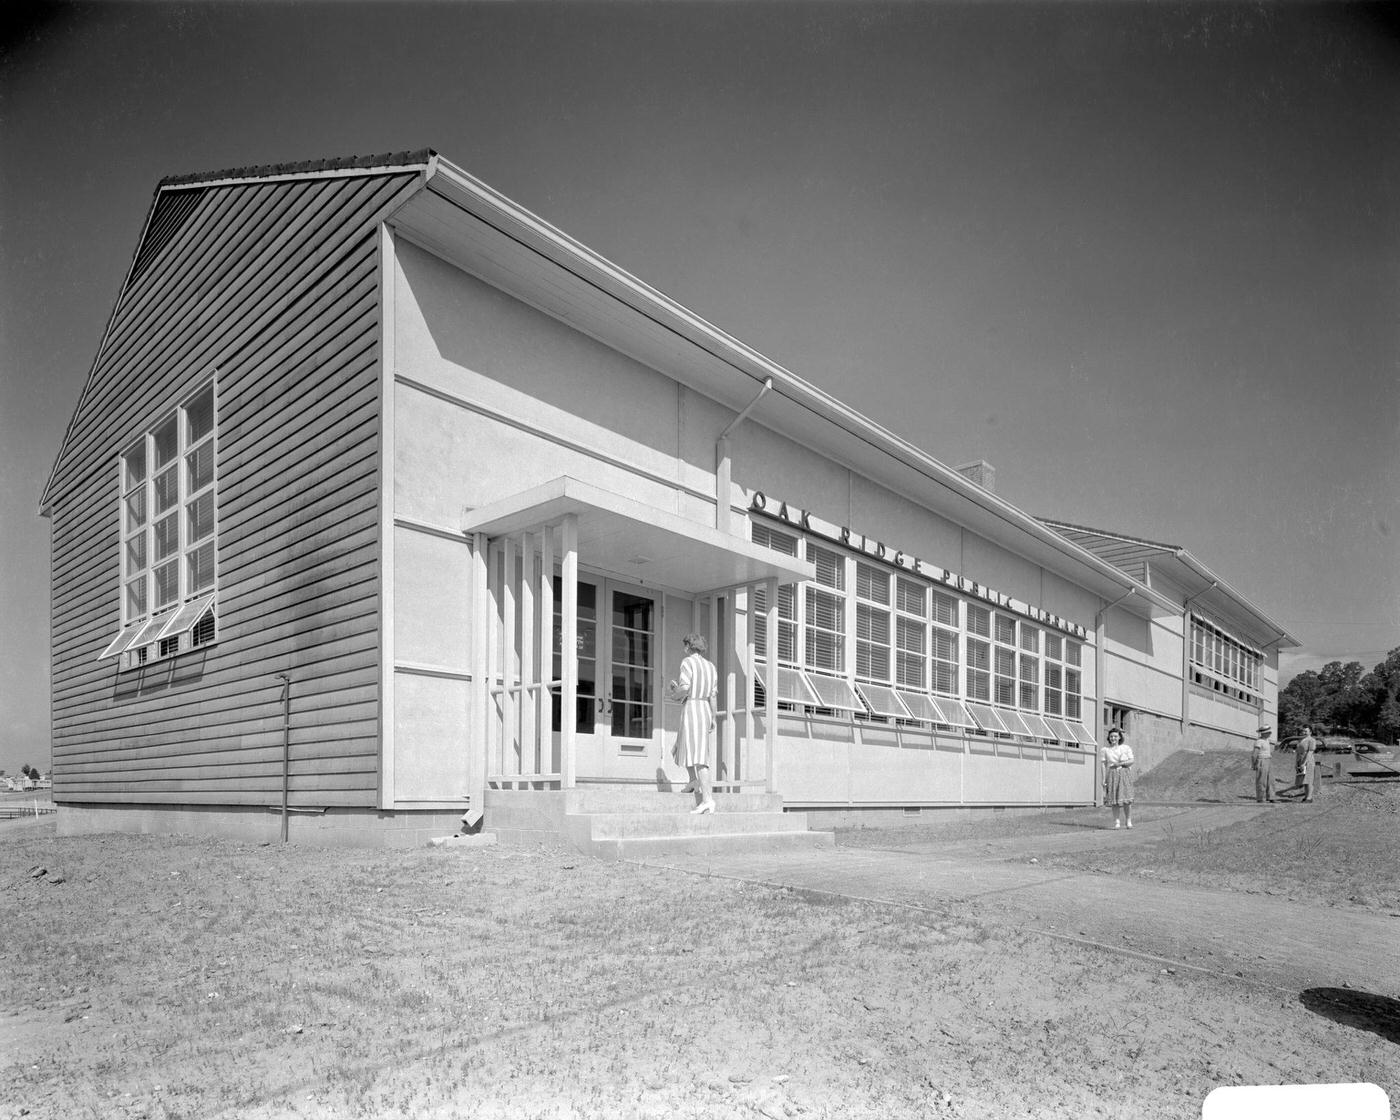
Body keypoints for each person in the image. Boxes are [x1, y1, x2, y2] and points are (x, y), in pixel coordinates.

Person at [667, 633, 718, 814]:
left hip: (692, 707)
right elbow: (712, 695)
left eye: (685, 645)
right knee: (686, 745)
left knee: (699, 756)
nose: (684, 648)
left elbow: (685, 688)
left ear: (689, 646)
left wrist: (674, 691)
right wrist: (713, 717)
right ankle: (692, 781)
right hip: (704, 709)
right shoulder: (711, 667)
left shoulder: (687, 662)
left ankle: (707, 799)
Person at [1101, 726, 1134, 830]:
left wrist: (1120, 763)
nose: (1113, 738)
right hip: (1112, 775)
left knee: (1126, 800)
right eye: (1111, 736)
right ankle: (1117, 822)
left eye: (1115, 736)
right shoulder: (1105, 750)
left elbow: (1131, 761)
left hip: (1124, 773)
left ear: (1119, 737)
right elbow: (1103, 765)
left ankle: (1128, 821)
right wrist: (1103, 779)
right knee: (1114, 800)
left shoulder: (1125, 748)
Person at [1251, 726, 1275, 803]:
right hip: (1261, 760)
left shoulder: (1267, 740)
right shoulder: (1259, 741)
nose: (1270, 733)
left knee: (1270, 780)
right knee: (1261, 780)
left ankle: (1271, 797)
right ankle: (1260, 798)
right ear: (1264, 733)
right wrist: (1254, 764)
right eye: (1268, 732)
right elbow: (1254, 754)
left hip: (1268, 760)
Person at [1295, 726, 1317, 803]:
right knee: (1304, 780)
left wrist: (1304, 763)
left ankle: (1309, 797)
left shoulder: (1312, 740)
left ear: (1310, 732)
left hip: (1308, 761)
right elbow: (1297, 752)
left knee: (1309, 779)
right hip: (1300, 761)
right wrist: (1296, 763)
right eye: (1303, 731)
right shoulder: (1300, 740)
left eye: (1306, 731)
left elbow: (1310, 752)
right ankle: (1306, 796)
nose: (1304, 732)